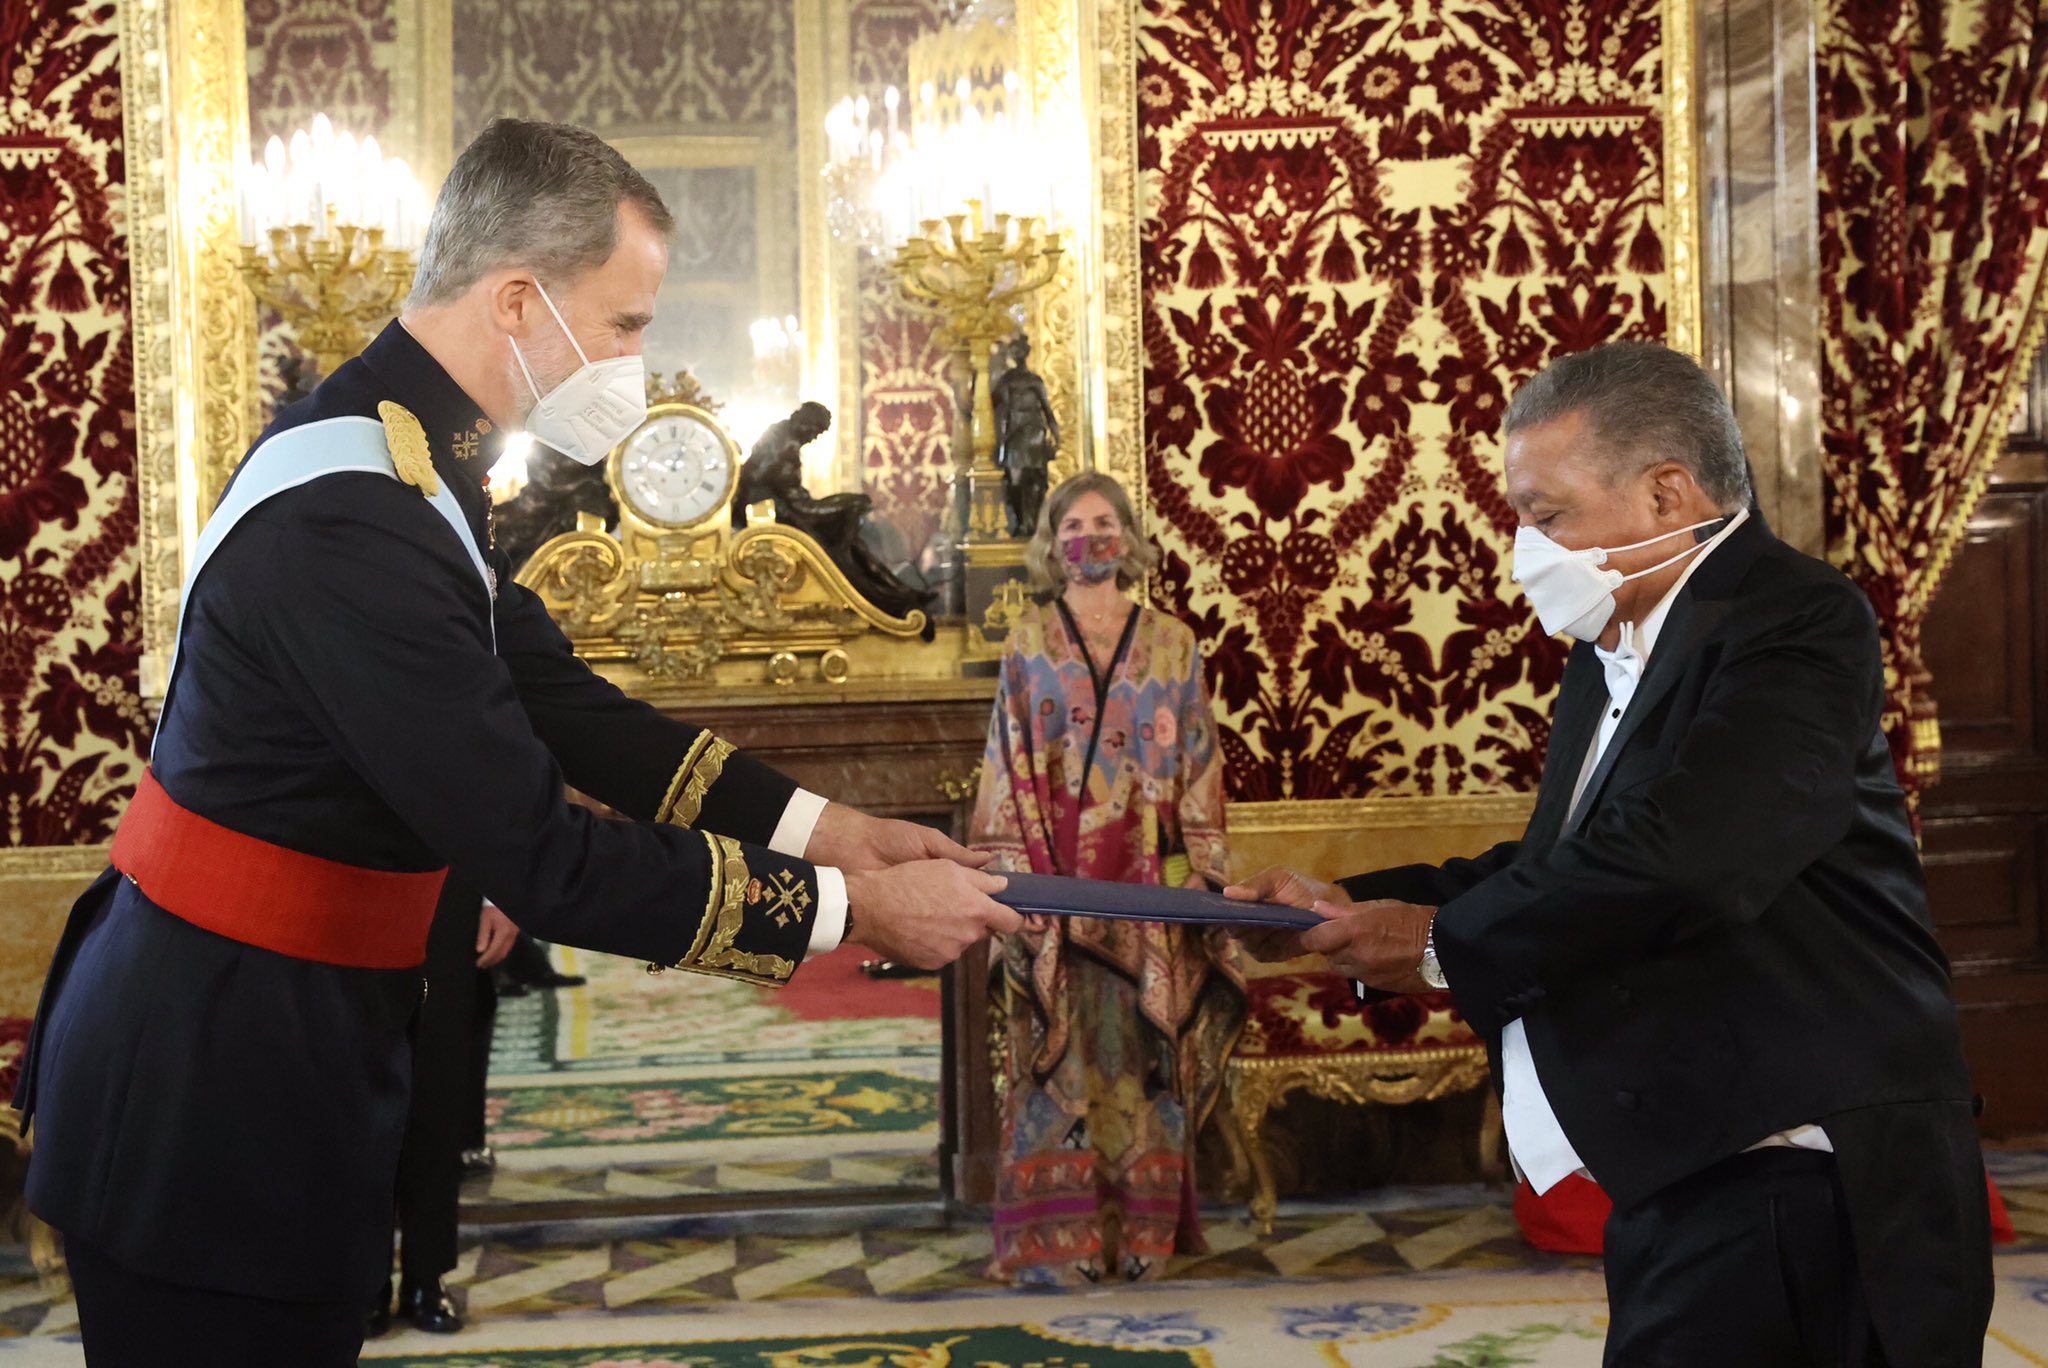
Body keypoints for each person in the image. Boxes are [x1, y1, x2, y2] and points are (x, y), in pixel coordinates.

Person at [12, 118, 1018, 1366]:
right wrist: (851, 912)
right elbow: (540, 854)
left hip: (286, 1041)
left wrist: (833, 828)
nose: (638, 360)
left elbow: (559, 699)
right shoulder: (354, 513)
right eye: (626, 323)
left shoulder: (415, 457)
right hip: (208, 1078)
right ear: (518, 303)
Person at [1231, 342, 1991, 1367]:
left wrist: (1436, 942)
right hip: (1688, 1159)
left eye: (1546, 516)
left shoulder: (1792, 617)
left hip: (1807, 1169)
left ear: (1664, 492)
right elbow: (1567, 859)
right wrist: (1340, 906)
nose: (1525, 546)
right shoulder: (1608, 653)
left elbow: (1690, 857)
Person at [969, 471, 1244, 1286]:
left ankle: (1144, 1240)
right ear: (1053, 545)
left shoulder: (1173, 643)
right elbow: (1004, 766)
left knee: (1143, 1064)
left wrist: (1205, 875)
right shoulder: (1026, 642)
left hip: (1148, 897)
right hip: (1052, 895)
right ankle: (1054, 1245)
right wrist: (1015, 886)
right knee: (1053, 1064)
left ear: (1128, 537)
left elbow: (1200, 765)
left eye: (1104, 522)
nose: (1090, 537)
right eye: (1074, 525)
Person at [368, 883, 515, 1337]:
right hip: (349, 871)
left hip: (448, 884)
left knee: (438, 1077)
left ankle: (425, 1275)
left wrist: (500, 896)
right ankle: (362, 1279)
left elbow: (502, 810)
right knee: (355, 1086)